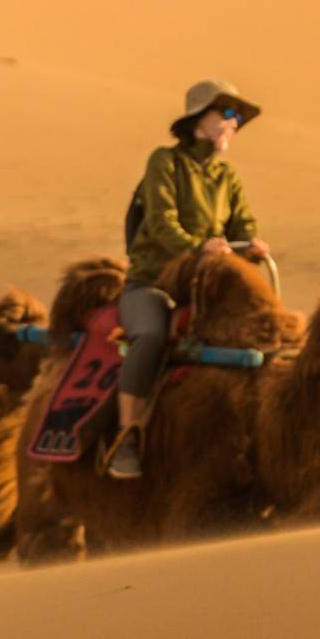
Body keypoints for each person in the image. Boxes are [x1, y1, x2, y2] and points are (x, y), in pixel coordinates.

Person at [104, 78, 266, 481]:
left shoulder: (226, 178)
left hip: (206, 285)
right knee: (151, 335)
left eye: (237, 117)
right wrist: (200, 248)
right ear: (198, 121)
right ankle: (127, 435)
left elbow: (243, 224)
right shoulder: (165, 162)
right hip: (153, 283)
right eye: (225, 112)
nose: (233, 123)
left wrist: (251, 247)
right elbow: (162, 224)